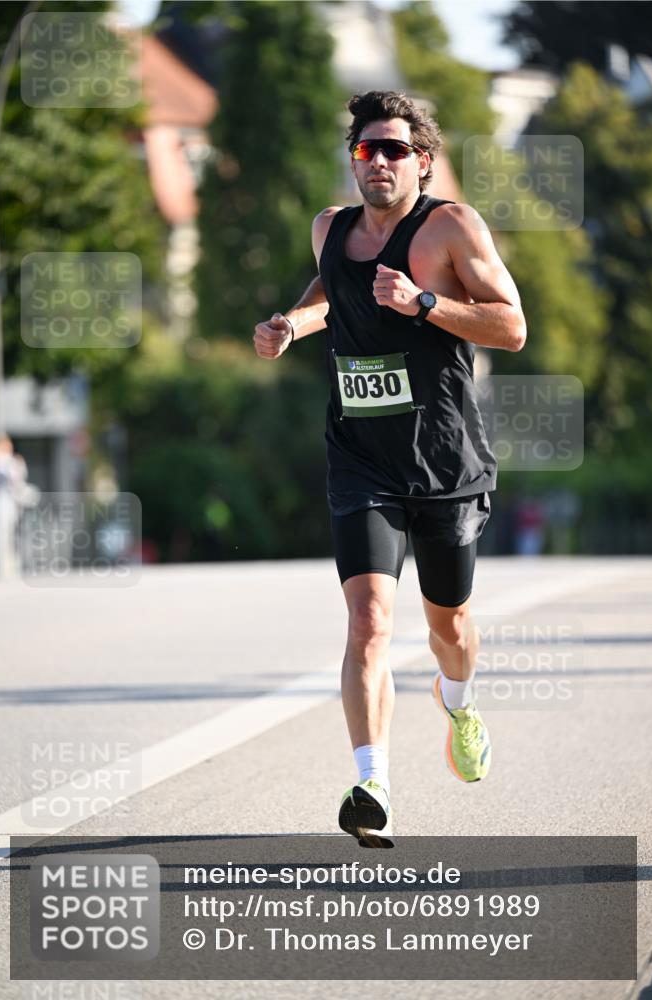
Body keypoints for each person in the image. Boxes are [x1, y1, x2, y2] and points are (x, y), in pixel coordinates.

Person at [253, 91, 526, 848]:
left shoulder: (448, 228)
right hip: (359, 460)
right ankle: (372, 781)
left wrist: (425, 301)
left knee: (450, 627)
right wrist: (291, 325)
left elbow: (510, 325)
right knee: (369, 623)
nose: (377, 161)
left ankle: (459, 703)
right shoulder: (329, 231)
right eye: (365, 149)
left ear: (423, 161)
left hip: (443, 464)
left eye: (393, 150)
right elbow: (326, 295)